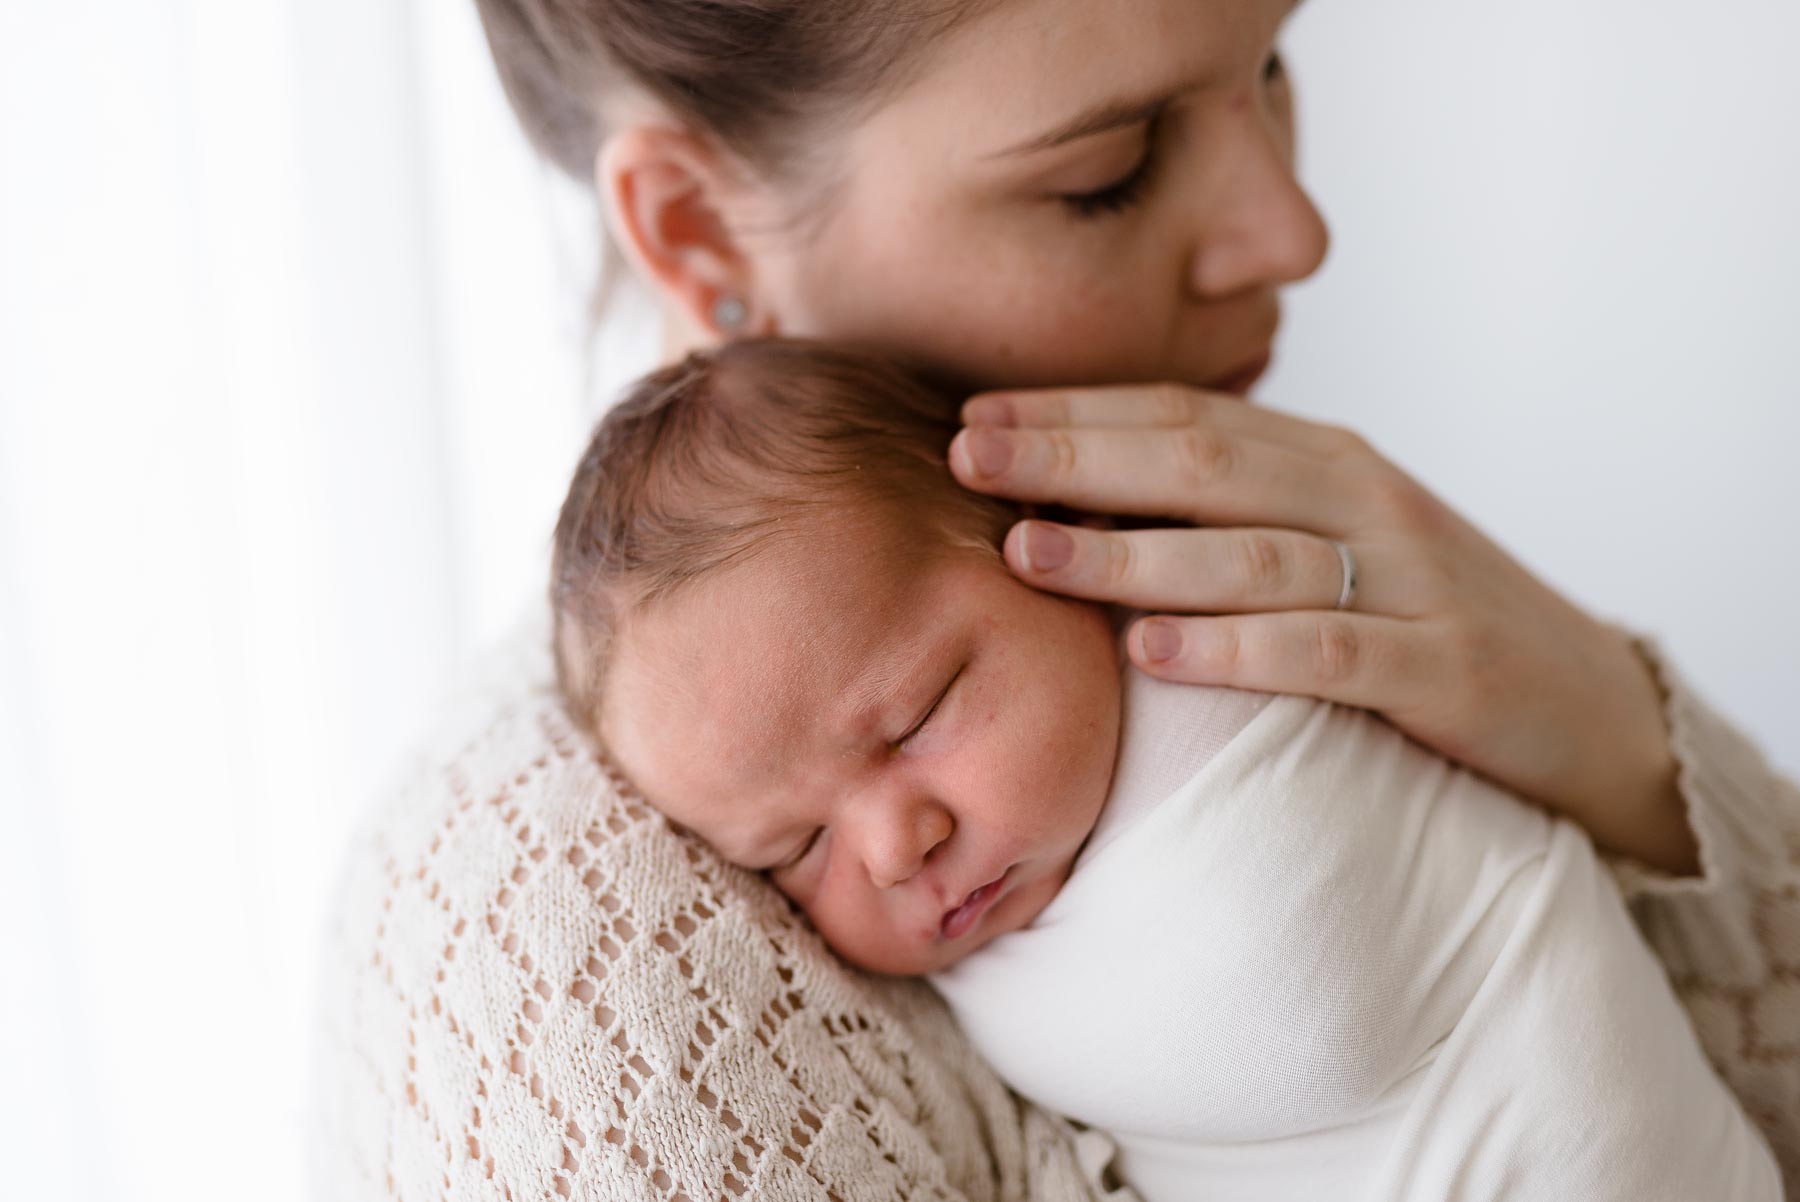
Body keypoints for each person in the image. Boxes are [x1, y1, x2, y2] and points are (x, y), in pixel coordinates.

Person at [310, 1, 1800, 1198]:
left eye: (1268, 62)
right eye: (1110, 168)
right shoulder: (565, 979)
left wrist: (1619, 732)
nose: (1293, 232)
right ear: (702, 234)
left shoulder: (1224, 574)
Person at [551, 337, 1779, 1200]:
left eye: (920, 713)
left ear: (1064, 545)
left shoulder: (1222, 658)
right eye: (791, 850)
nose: (890, 847)